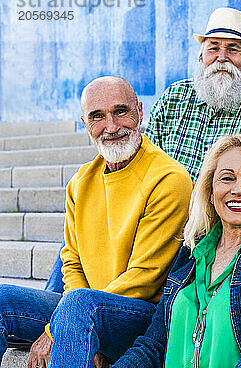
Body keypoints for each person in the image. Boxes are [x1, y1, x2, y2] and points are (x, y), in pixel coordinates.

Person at [0, 76, 192, 367]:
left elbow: (144, 279)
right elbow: (72, 262)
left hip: (138, 316)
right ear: (84, 123)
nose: (111, 126)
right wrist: (66, 322)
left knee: (79, 306)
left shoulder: (169, 179)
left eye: (120, 111)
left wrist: (57, 328)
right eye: (97, 116)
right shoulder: (80, 182)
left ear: (140, 111)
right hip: (82, 309)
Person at [112, 134, 241, 368]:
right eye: (227, 178)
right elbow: (154, 345)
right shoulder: (191, 250)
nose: (238, 190)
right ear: (210, 192)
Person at [146, 7, 241, 182]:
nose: (222, 57)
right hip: (168, 204)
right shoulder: (173, 97)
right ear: (201, 56)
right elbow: (148, 164)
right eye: (213, 48)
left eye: (233, 49)